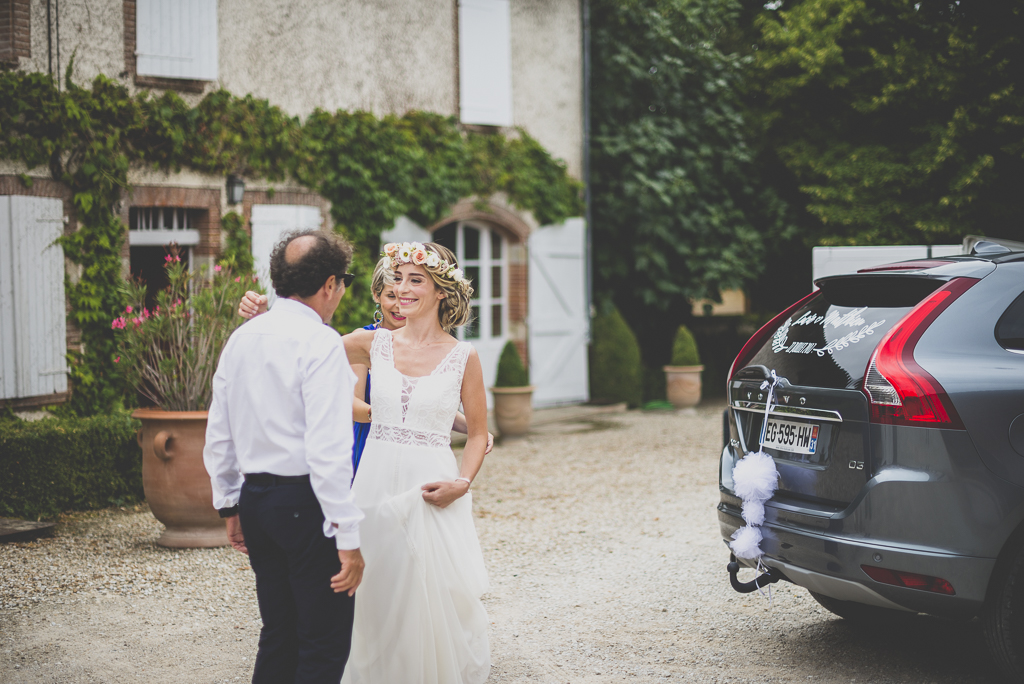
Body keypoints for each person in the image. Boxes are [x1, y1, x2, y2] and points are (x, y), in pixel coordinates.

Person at [204, 230, 365, 684]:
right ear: (330, 284)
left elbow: (220, 431)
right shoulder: (321, 343)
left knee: (278, 633)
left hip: (257, 503)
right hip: (306, 506)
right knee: (323, 644)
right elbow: (328, 450)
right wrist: (348, 538)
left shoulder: (242, 338)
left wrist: (230, 504)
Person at [339, 241, 491, 683]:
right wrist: (260, 314)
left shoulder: (465, 356)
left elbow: (479, 433)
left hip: (434, 488)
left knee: (430, 593)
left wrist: (462, 483)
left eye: (414, 280)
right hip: (372, 480)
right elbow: (307, 345)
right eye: (397, 278)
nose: (401, 289)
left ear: (441, 290)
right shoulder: (372, 343)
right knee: (374, 590)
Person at [237, 257, 493, 474]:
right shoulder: (368, 343)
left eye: (409, 287)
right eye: (391, 294)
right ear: (377, 296)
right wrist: (266, 319)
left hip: (423, 458)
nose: (400, 302)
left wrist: (474, 428)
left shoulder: (449, 350)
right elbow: (344, 394)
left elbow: (423, 404)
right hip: (371, 446)